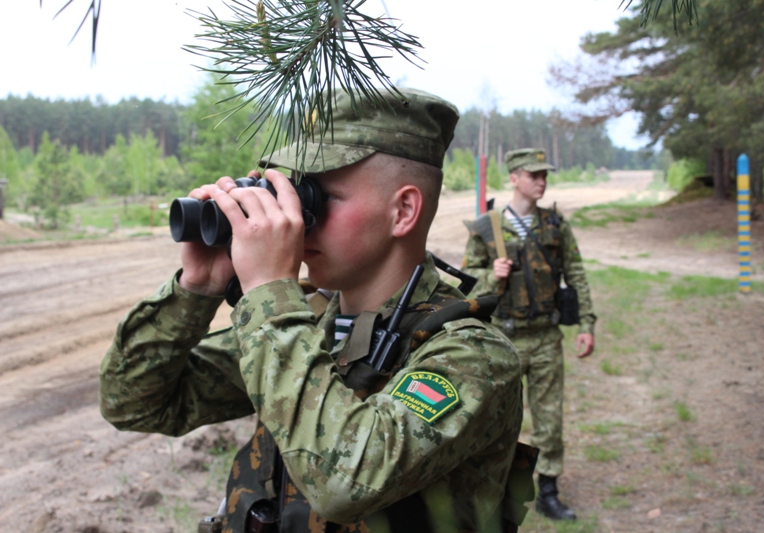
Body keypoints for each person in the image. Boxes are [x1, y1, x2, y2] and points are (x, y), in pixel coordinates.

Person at [99, 88, 529, 533]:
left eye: (321, 198)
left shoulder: (474, 356)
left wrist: (269, 290)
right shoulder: (310, 322)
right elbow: (133, 402)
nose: (297, 219)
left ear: (403, 210)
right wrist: (197, 289)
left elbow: (345, 484)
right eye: (295, 195)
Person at [461, 148, 596, 521]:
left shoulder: (555, 225)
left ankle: (548, 491)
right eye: (533, 174)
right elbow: (467, 287)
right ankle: (495, 490)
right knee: (499, 422)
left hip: (546, 337)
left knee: (549, 419)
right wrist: (493, 274)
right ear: (514, 178)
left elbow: (577, 275)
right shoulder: (486, 228)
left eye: (544, 175)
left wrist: (587, 325)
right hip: (504, 339)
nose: (541, 181)